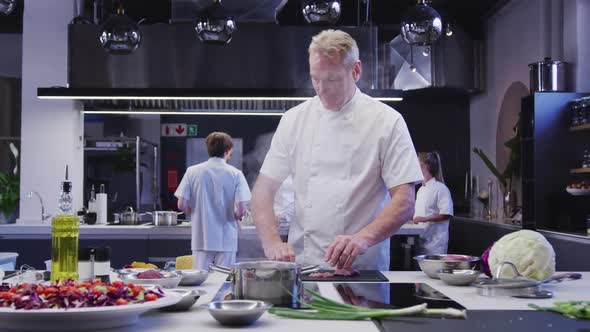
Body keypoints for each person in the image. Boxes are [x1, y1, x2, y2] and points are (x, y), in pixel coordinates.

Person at [251, 29, 423, 271]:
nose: (321, 88)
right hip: (303, 266)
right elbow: (263, 190)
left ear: (356, 70)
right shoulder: (294, 120)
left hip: (361, 268)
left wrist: (363, 238)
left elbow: (405, 200)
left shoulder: (386, 121)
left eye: (332, 79)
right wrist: (271, 242)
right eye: (315, 78)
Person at [175, 132, 251, 270]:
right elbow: (241, 210)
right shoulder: (236, 174)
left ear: (208, 149)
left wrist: (195, 212)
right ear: (228, 150)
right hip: (226, 239)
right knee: (223, 283)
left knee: (201, 282)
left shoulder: (192, 171)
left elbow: (181, 204)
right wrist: (237, 216)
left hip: (201, 238)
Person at [412, 152, 454, 255]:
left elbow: (446, 214)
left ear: (423, 166)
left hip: (435, 244)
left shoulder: (440, 188)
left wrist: (424, 219)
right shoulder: (421, 189)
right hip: (422, 241)